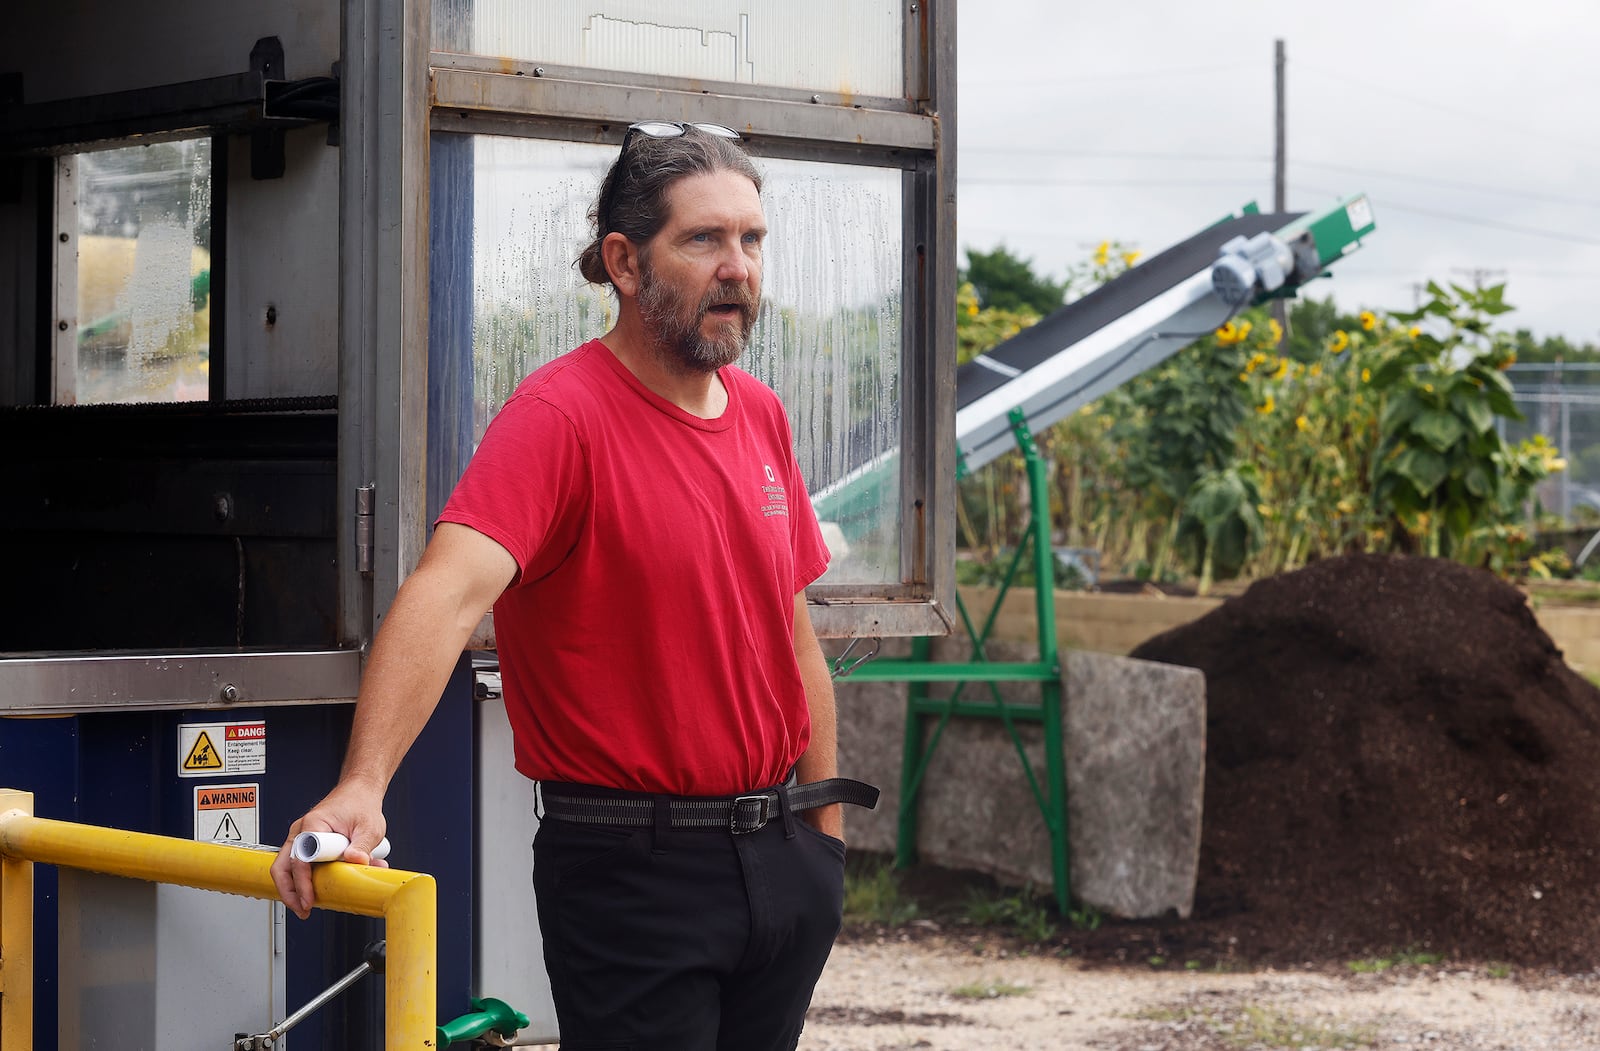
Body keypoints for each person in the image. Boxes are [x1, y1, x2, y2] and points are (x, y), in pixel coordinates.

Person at [270, 119, 876, 1050]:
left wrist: (822, 829)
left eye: (753, 240)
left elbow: (790, 631)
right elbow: (447, 594)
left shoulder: (761, 415)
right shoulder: (560, 415)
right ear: (625, 262)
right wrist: (364, 780)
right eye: (704, 239)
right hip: (635, 863)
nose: (738, 267)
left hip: (783, 858)